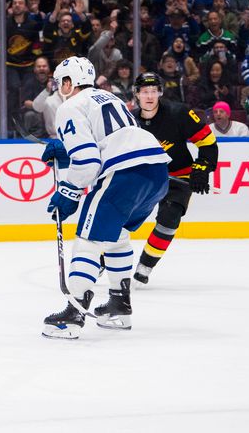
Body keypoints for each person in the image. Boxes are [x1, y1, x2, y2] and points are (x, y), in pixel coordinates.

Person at [40, 57, 170, 340]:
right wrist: (65, 152)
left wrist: (67, 192)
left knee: (88, 238)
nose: (59, 87)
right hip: (157, 171)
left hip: (125, 173)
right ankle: (119, 306)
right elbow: (107, 141)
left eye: (60, 81)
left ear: (67, 82)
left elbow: (87, 163)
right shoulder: (108, 96)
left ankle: (73, 314)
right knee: (118, 237)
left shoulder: (69, 106)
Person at [131, 72, 219, 285]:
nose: (150, 96)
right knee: (120, 219)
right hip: (144, 178)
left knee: (169, 220)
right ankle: (106, 259)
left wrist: (201, 168)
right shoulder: (128, 121)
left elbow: (208, 143)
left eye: (154, 91)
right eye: (145, 92)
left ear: (160, 92)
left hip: (179, 174)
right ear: (136, 95)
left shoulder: (179, 113)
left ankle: (145, 265)